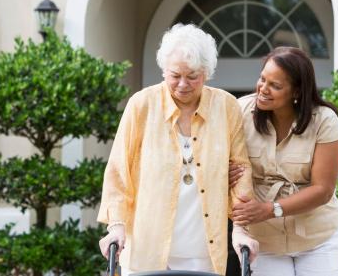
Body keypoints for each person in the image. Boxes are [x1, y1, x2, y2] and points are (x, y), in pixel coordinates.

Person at [97, 23, 258, 276]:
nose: (183, 84)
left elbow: (241, 171)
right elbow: (119, 171)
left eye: (192, 76)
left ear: (206, 73)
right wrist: (116, 225)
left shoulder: (226, 107)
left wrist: (240, 229)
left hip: (203, 252)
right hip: (146, 249)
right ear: (164, 71)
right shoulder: (142, 105)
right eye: (175, 75)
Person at [229, 47, 338, 276]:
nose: (263, 89)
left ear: (297, 92)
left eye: (275, 85)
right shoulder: (240, 111)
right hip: (263, 240)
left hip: (318, 238)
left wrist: (269, 210)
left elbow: (323, 189)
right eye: (262, 79)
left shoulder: (324, 120)